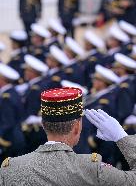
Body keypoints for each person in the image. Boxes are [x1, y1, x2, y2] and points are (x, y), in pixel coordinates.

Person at [1, 87, 136, 185]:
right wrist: (121, 136)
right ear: (77, 127)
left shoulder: (10, 168)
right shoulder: (92, 169)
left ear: (43, 125)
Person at [0, 63, 26, 164]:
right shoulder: (11, 93)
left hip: (9, 141)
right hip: (13, 139)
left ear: (1, 80)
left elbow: (7, 122)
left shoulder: (7, 97)